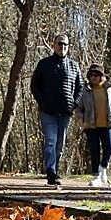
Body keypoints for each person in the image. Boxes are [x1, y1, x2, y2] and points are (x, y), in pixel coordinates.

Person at [29, 33, 83, 186]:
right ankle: (51, 172)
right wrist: (43, 101)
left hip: (65, 112)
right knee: (51, 142)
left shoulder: (74, 66)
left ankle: (55, 170)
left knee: (60, 146)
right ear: (54, 45)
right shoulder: (44, 64)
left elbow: (80, 88)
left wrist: (74, 103)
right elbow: (34, 85)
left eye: (65, 44)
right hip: (48, 111)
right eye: (60, 43)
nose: (62, 47)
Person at [74, 63, 111, 187]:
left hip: (107, 124)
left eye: (97, 75)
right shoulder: (85, 91)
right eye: (91, 75)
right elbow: (78, 108)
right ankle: (97, 176)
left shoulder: (109, 90)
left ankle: (103, 170)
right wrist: (81, 120)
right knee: (94, 150)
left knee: (110, 148)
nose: (94, 77)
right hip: (91, 126)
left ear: (102, 76)